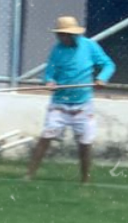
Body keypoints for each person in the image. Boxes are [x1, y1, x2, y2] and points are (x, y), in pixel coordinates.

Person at [27, 16, 114, 184]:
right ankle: (29, 176)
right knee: (46, 137)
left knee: (85, 142)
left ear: (74, 34)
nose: (63, 38)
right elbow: (49, 72)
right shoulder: (57, 50)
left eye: (66, 34)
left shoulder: (90, 46)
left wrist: (102, 78)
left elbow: (108, 64)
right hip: (59, 103)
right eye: (60, 35)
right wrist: (50, 81)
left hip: (83, 104)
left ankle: (85, 180)